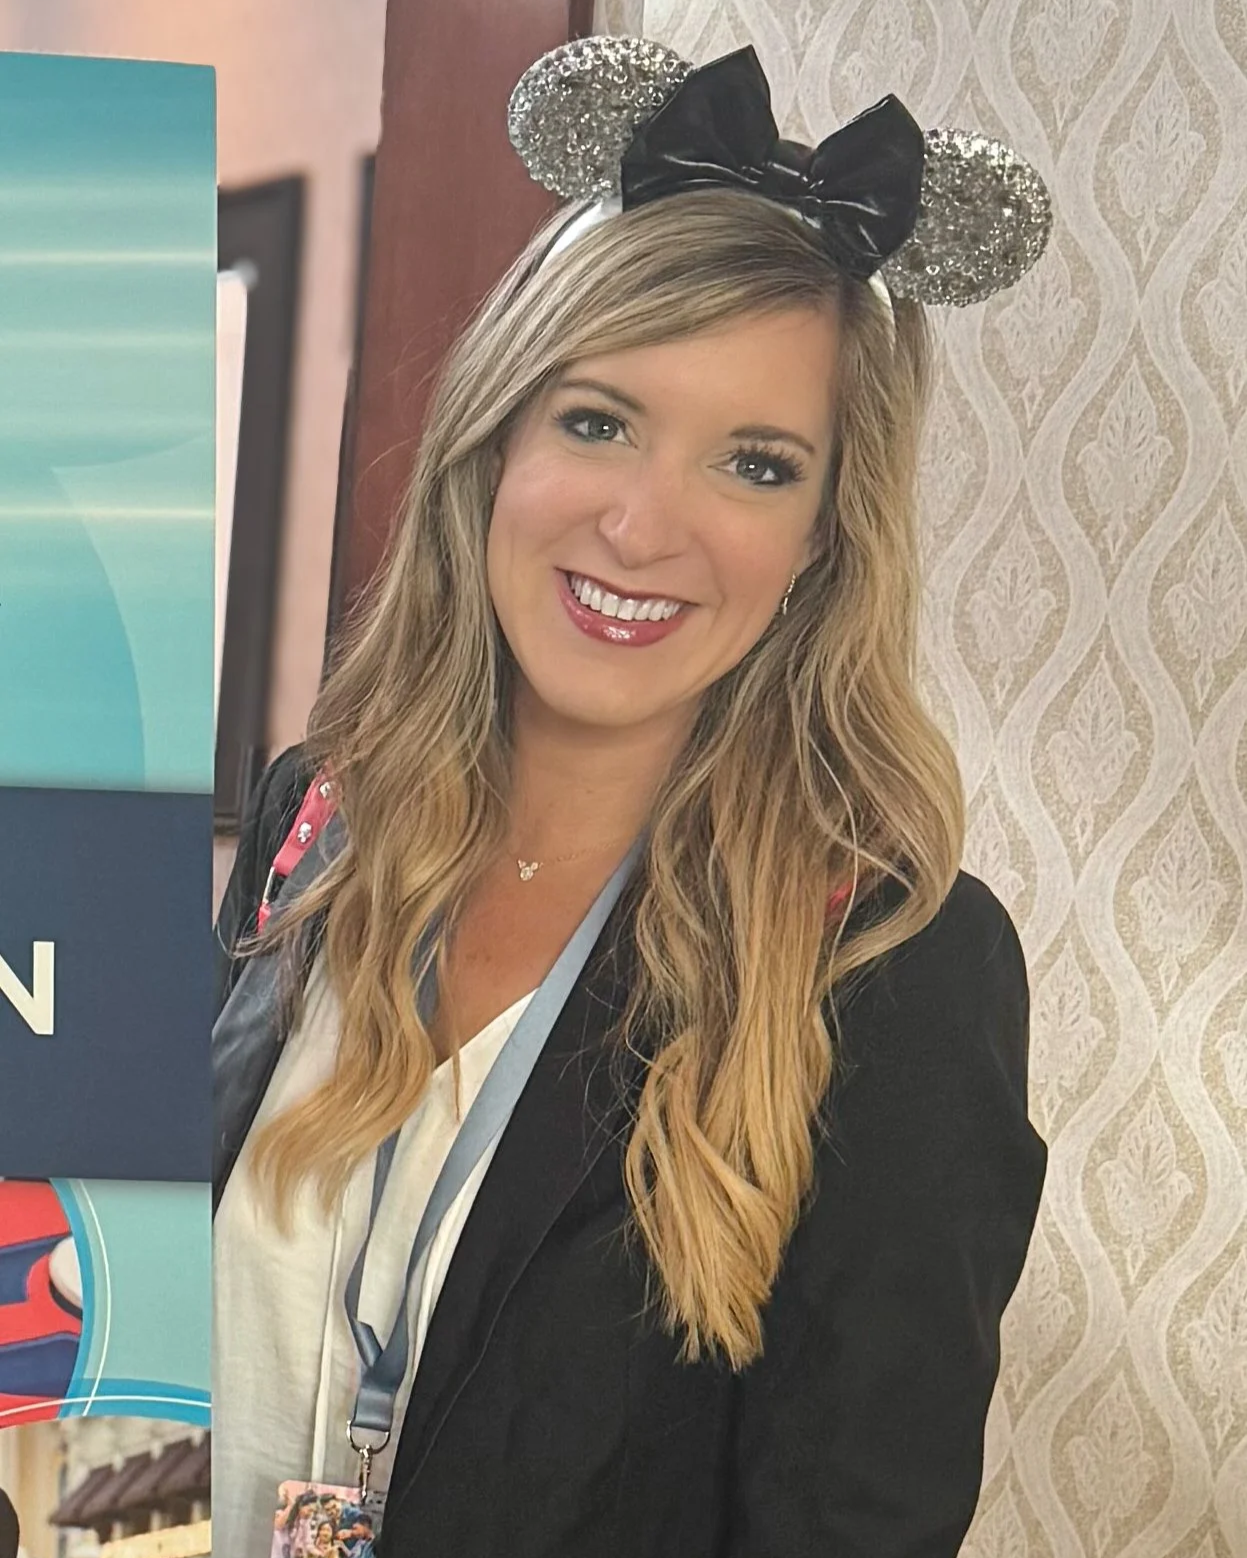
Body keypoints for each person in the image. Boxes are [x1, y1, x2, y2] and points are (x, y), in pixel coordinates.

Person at [213, 37, 1050, 1557]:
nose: (643, 525)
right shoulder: (316, 821)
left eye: (754, 463)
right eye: (597, 420)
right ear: (495, 441)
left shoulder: (892, 969)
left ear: (822, 536)